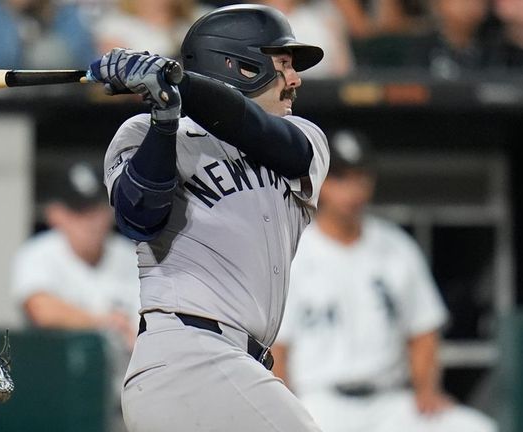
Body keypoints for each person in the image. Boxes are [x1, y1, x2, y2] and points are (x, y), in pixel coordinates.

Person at [87, 4, 330, 431]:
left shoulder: (304, 138)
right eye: (284, 65)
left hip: (233, 366)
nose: (296, 80)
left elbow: (262, 135)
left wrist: (178, 82)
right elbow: (138, 216)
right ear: (240, 65)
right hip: (188, 355)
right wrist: (165, 117)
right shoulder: (144, 133)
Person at [271, 130, 497, 432]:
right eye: (341, 178)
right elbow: (277, 348)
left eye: (360, 177)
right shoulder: (296, 251)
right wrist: (285, 406)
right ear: (321, 181)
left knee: (474, 428)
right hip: (320, 401)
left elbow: (423, 333)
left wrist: (427, 392)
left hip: (390, 403)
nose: (352, 190)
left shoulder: (396, 247)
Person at [10, 159, 139, 432]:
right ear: (56, 214)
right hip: (58, 405)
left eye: (95, 210)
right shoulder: (39, 254)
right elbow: (41, 309)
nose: (89, 222)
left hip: (123, 404)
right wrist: (105, 322)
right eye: (78, 212)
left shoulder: (130, 256)